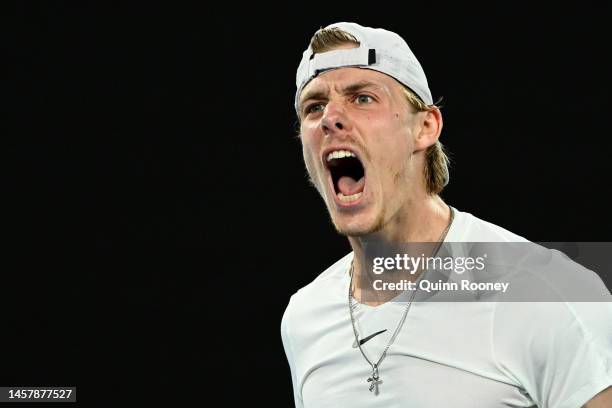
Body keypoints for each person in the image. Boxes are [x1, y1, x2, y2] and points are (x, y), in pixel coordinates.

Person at [281, 22, 612, 407]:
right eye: (314, 107)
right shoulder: (304, 317)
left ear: (425, 127)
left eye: (362, 98)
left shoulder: (549, 293)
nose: (330, 118)